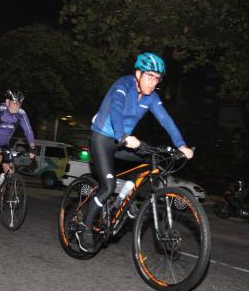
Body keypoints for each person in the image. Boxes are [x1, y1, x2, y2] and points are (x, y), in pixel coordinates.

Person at [77, 52, 194, 252]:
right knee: (108, 185)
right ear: (138, 74)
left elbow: (166, 120)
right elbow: (116, 109)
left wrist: (181, 145)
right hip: (103, 138)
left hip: (123, 142)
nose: (153, 82)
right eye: (150, 76)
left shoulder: (152, 97)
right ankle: (84, 226)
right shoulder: (123, 85)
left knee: (152, 160)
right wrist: (123, 135)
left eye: (157, 78)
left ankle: (125, 198)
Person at [0, 89, 36, 204]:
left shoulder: (21, 113)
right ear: (7, 101)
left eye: (19, 103)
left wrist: (32, 147)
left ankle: (0, 195)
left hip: (4, 144)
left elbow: (28, 130)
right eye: (14, 102)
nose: (17, 105)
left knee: (10, 170)